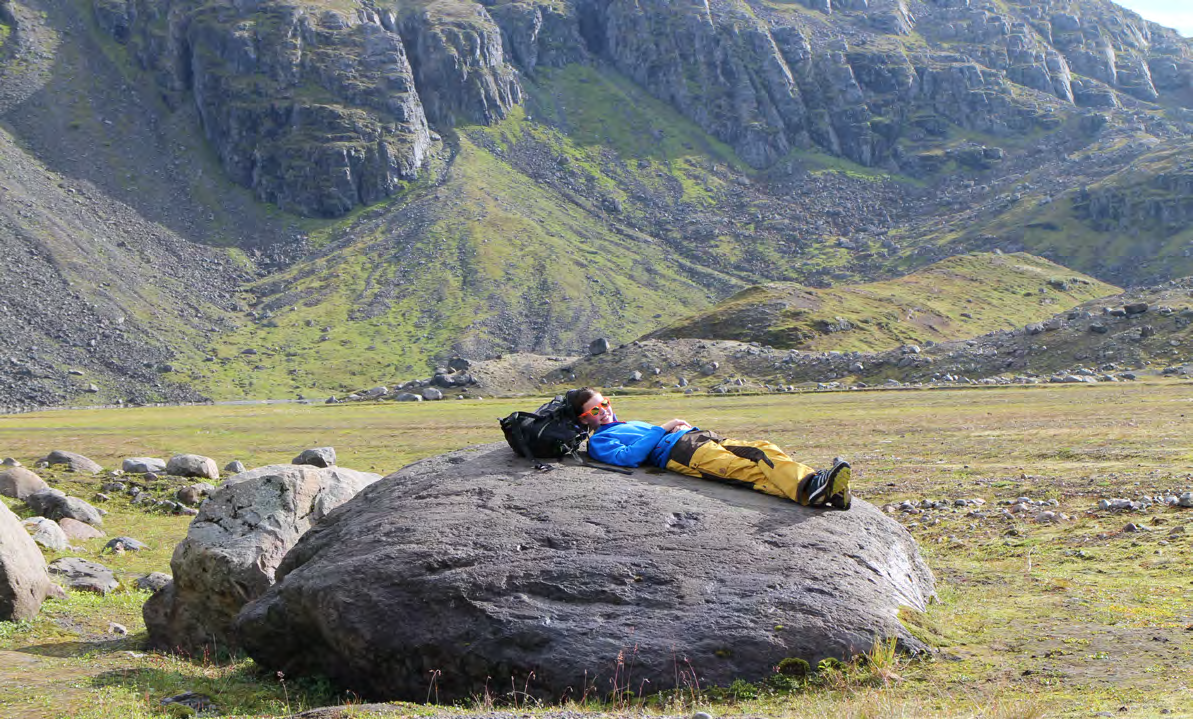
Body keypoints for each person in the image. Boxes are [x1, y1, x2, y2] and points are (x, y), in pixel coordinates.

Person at [570, 387, 851, 509]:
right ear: (584, 420)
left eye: (604, 403)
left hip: (698, 439)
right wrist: (662, 428)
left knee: (763, 449)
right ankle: (816, 486)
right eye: (594, 410)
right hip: (684, 453)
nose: (604, 411)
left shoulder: (625, 423)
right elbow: (628, 458)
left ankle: (823, 491)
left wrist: (676, 428)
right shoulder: (598, 441)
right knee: (749, 470)